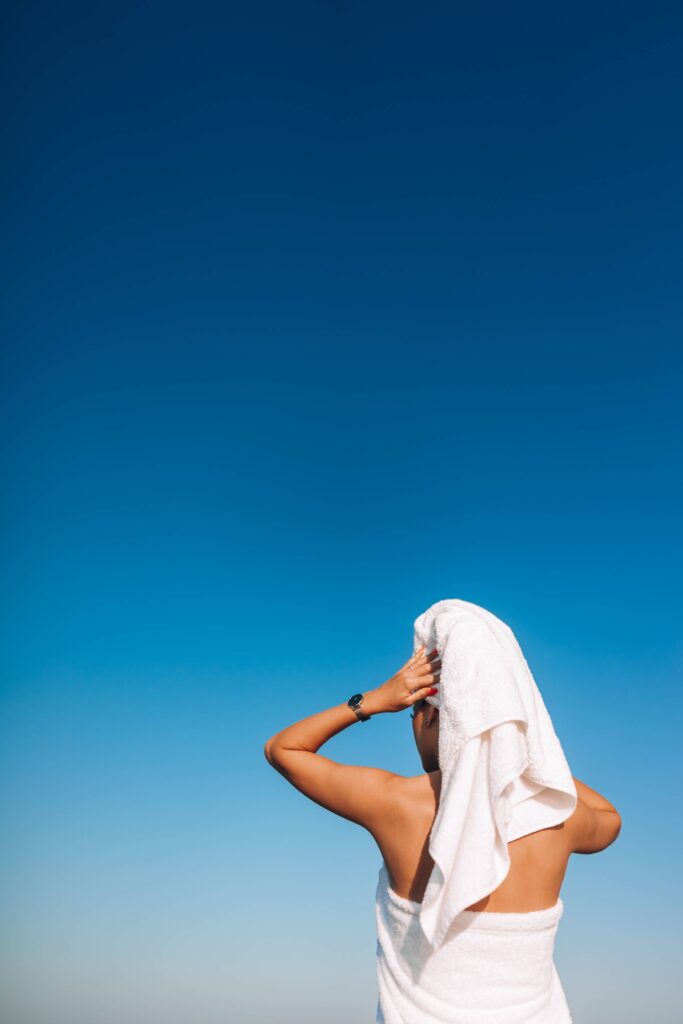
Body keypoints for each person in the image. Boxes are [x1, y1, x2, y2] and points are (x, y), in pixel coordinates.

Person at [264, 642, 621, 1021]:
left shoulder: (397, 803)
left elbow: (284, 749)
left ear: (429, 717)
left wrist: (373, 700)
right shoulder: (555, 816)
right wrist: (522, 744)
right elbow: (609, 817)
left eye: (412, 716)